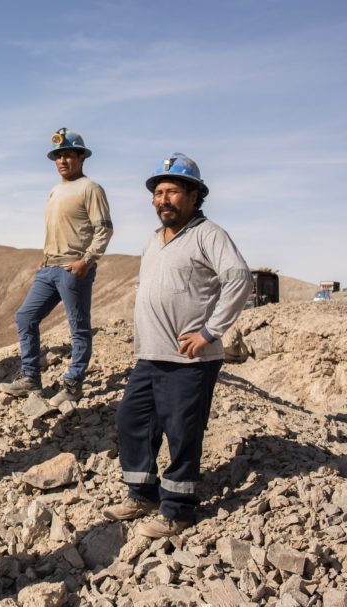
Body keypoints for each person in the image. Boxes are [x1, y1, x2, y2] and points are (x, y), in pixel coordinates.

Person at [104, 153, 251, 538]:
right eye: (158, 192)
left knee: (182, 433)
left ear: (193, 195)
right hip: (150, 355)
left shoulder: (208, 234)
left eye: (171, 192)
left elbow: (239, 280)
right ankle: (143, 494)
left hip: (190, 359)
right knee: (132, 421)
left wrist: (209, 331)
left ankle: (178, 511)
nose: (162, 199)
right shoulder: (154, 240)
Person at [2, 128, 113, 406]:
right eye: (58, 156)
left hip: (73, 269)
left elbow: (104, 229)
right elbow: (59, 228)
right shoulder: (55, 190)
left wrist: (86, 261)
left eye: (69, 155)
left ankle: (74, 384)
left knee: (78, 327)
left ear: (81, 158)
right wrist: (46, 256)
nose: (63, 161)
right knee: (26, 317)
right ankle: (30, 376)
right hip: (50, 267)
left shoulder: (90, 188)